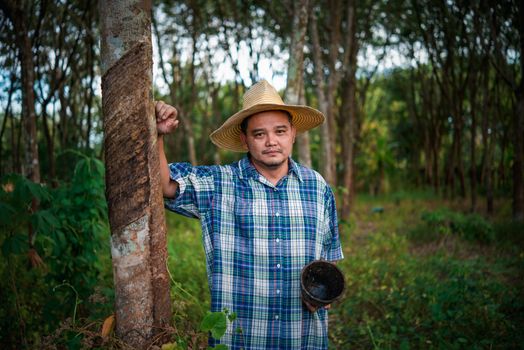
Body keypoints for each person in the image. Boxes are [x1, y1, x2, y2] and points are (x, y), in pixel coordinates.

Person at [156, 80, 343, 349]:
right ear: (244, 139)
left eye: (280, 131)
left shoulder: (317, 187)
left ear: (293, 134)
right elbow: (165, 185)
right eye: (259, 134)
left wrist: (321, 295)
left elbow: (329, 263)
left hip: (302, 339)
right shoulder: (220, 184)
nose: (271, 142)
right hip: (242, 340)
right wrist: (158, 135)